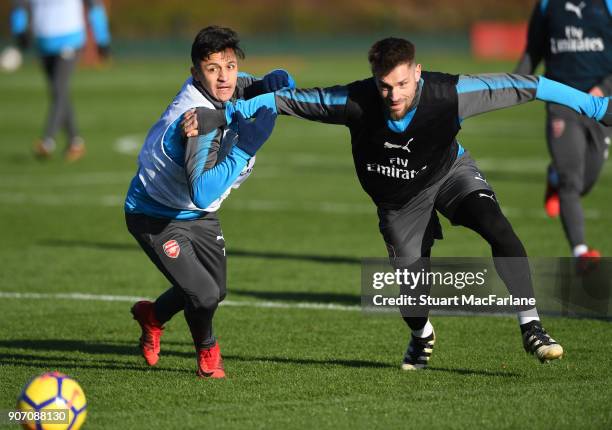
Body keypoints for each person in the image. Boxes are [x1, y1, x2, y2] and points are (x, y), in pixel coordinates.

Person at [184, 37, 612, 369]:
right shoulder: (351, 101)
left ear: (418, 73)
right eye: (385, 86)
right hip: (399, 206)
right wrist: (219, 115)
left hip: (450, 173)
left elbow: (529, 85)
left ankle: (531, 326)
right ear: (374, 79)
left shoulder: (451, 94)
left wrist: (595, 106)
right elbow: (279, 100)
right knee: (412, 297)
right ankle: (422, 334)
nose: (393, 95)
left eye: (403, 84)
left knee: (497, 227)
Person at [125, 26, 293, 378]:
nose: (224, 77)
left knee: (216, 291)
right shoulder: (193, 122)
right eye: (213, 68)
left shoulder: (223, 85)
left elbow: (247, 85)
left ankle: (152, 315)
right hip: (155, 215)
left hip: (199, 215)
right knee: (202, 294)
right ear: (195, 73)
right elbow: (203, 190)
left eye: (229, 66)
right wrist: (247, 146)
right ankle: (207, 352)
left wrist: (269, 83)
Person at [514, 0, 612, 260]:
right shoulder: (547, 5)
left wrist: (604, 87)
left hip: (601, 106)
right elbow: (532, 51)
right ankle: (581, 253)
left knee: (584, 181)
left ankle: (554, 177)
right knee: (572, 180)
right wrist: (511, 86)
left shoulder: (607, 5)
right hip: (561, 105)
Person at [10, 0, 111, 161]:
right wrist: (20, 30)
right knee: (60, 94)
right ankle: (75, 142)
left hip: (70, 40)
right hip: (43, 44)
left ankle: (48, 140)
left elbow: (94, 6)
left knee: (59, 90)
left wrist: (102, 39)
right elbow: (19, 5)